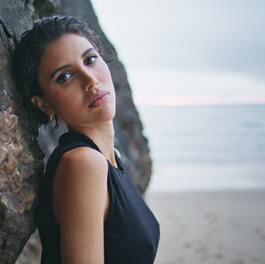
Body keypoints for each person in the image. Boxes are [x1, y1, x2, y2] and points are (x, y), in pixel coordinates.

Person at [12, 15, 160, 264]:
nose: (90, 80)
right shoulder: (83, 163)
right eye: (65, 77)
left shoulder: (109, 159)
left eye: (90, 59)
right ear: (45, 103)